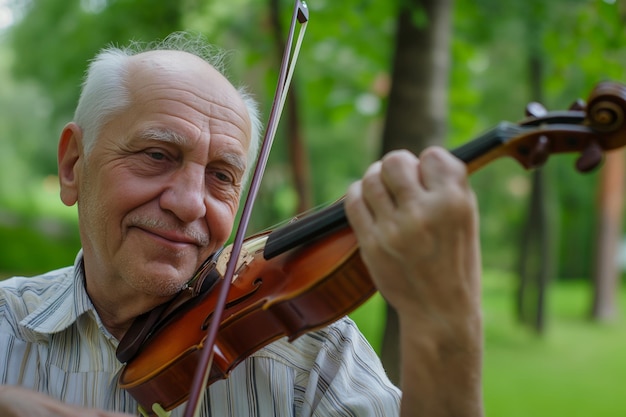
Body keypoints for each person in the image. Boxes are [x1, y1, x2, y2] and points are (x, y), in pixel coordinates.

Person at [0, 32, 483, 417]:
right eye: (156, 155)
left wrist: (446, 326)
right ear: (72, 165)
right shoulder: (6, 326)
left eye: (222, 176)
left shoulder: (313, 355)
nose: (191, 204)